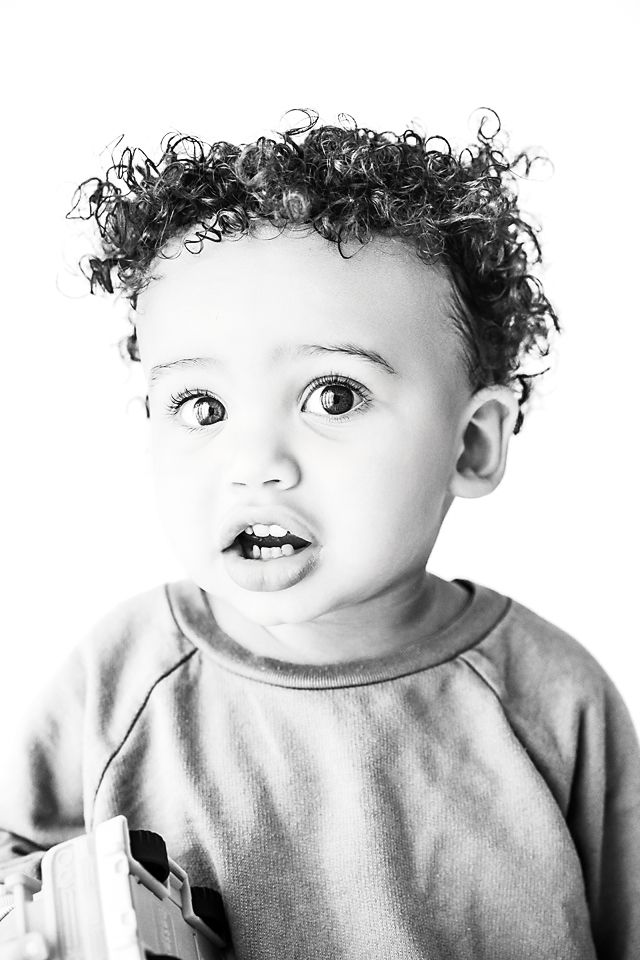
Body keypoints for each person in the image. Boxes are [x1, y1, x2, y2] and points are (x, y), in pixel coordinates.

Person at [0, 110, 638, 959]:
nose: (253, 463)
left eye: (333, 396)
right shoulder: (119, 679)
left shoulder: (553, 702)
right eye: (202, 406)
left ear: (472, 444)